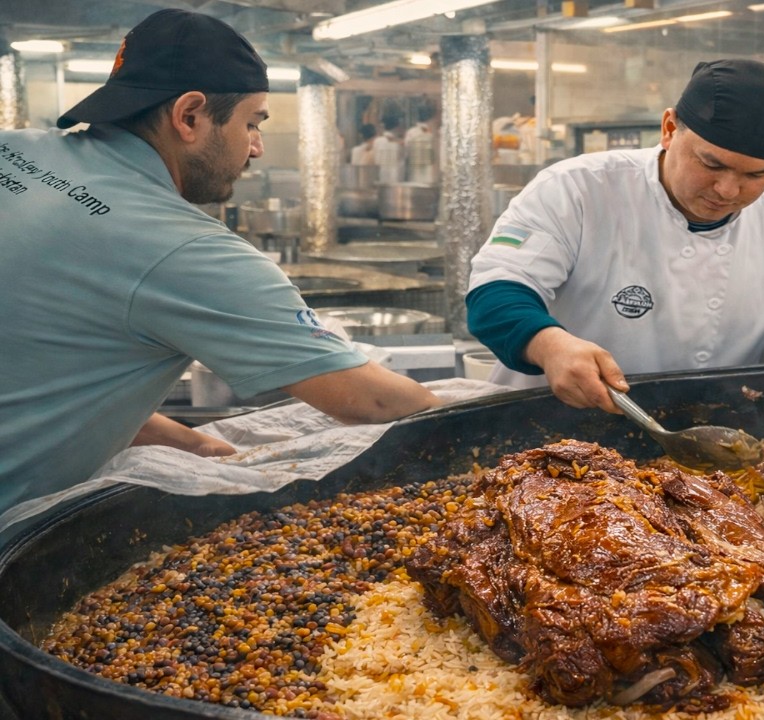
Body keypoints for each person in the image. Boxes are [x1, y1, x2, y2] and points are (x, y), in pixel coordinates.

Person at [0, 9, 444, 513]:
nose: (256, 148)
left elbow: (43, 366)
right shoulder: (183, 248)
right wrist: (487, 426)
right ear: (190, 116)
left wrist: (192, 444)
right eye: (252, 123)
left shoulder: (12, 150)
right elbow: (375, 402)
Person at [466, 59, 764, 412]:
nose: (728, 190)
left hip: (707, 444)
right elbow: (496, 290)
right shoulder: (578, 189)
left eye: (757, 175)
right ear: (669, 129)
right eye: (711, 163)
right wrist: (548, 344)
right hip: (546, 431)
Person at [372, 112, 404, 184]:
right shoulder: (399, 144)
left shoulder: (377, 141)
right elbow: (403, 161)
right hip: (396, 181)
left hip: (380, 179)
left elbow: (374, 159)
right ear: (397, 127)